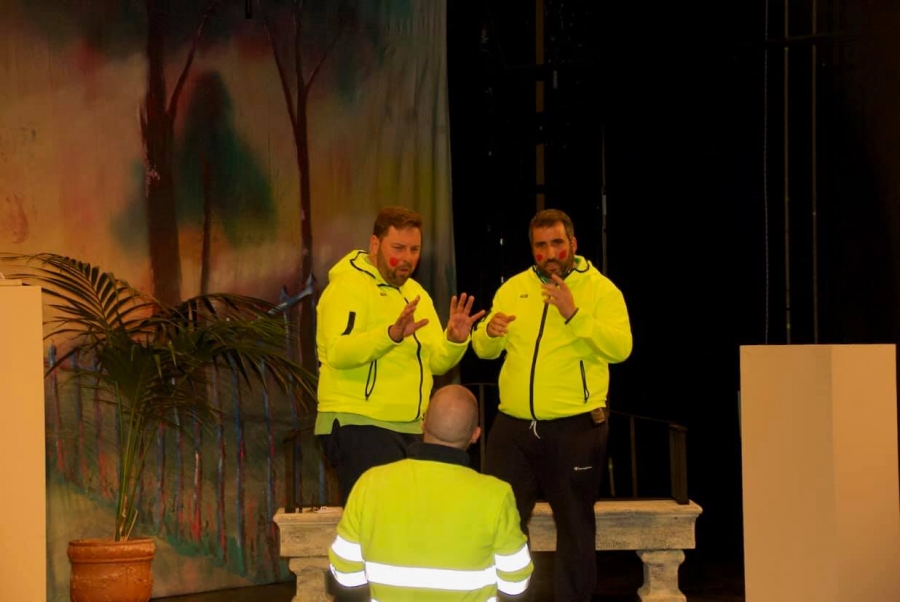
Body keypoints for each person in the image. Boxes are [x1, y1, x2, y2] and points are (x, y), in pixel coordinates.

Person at [472, 208, 633, 602]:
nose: (550, 253)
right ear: (533, 249)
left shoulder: (602, 290)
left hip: (574, 427)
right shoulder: (513, 288)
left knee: (575, 527)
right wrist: (489, 334)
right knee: (502, 523)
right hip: (513, 428)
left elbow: (621, 348)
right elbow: (483, 348)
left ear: (573, 244)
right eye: (541, 245)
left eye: (557, 243)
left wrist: (574, 314)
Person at [315, 206, 485, 505]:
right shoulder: (348, 285)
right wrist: (390, 334)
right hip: (360, 424)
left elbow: (436, 362)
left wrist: (455, 341)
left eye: (414, 249)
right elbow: (338, 352)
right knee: (374, 526)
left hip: (409, 427)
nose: (407, 258)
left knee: (405, 525)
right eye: (398, 248)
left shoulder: (415, 293)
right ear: (375, 244)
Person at [328, 384, 534, 600]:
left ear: (424, 423)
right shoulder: (496, 495)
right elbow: (515, 583)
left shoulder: (370, 483)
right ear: (475, 435)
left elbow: (345, 573)